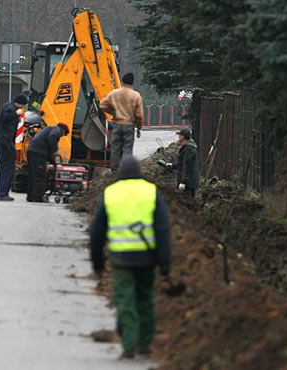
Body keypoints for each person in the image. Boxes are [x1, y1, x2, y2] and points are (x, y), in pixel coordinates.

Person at [90, 155, 171, 359]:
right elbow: (162, 229)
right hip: (147, 257)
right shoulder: (151, 192)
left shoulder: (111, 193)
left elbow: (97, 232)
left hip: (121, 259)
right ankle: (144, 343)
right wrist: (165, 262)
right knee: (145, 299)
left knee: (125, 300)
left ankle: (128, 345)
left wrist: (97, 262)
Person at [99, 73, 144, 172]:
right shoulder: (136, 95)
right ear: (132, 83)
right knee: (127, 148)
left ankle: (114, 170)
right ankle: (126, 169)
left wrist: (113, 112)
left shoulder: (114, 93)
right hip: (129, 125)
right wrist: (139, 126)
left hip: (117, 124)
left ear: (122, 82)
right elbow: (139, 115)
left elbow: (102, 105)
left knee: (115, 148)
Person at [0, 93, 28, 201]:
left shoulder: (8, 106)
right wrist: (15, 114)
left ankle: (4, 193)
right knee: (7, 168)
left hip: (3, 141)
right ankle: (2, 193)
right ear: (21, 104)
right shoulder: (11, 108)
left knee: (9, 168)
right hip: (4, 143)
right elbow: (5, 117)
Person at [26, 123, 69, 202]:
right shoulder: (57, 130)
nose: (62, 136)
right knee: (40, 175)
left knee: (33, 175)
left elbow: (48, 150)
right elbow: (52, 137)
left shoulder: (49, 129)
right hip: (38, 153)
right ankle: (38, 197)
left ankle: (31, 196)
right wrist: (55, 150)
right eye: (64, 134)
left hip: (32, 151)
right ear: (63, 130)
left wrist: (54, 162)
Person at [167, 128, 199, 198]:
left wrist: (183, 182)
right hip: (190, 182)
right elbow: (182, 163)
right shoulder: (189, 147)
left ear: (183, 137)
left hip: (188, 184)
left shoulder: (188, 149)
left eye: (179, 135)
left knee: (187, 202)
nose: (178, 137)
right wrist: (173, 165)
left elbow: (188, 166)